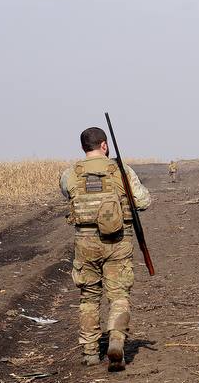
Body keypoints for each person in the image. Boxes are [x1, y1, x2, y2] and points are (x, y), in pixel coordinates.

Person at [60, 126, 152, 370]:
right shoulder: (121, 171)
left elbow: (68, 196)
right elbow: (143, 201)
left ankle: (90, 353)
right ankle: (116, 340)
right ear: (104, 145)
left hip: (85, 243)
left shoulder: (71, 174)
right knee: (119, 295)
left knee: (89, 297)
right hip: (118, 241)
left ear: (83, 148)